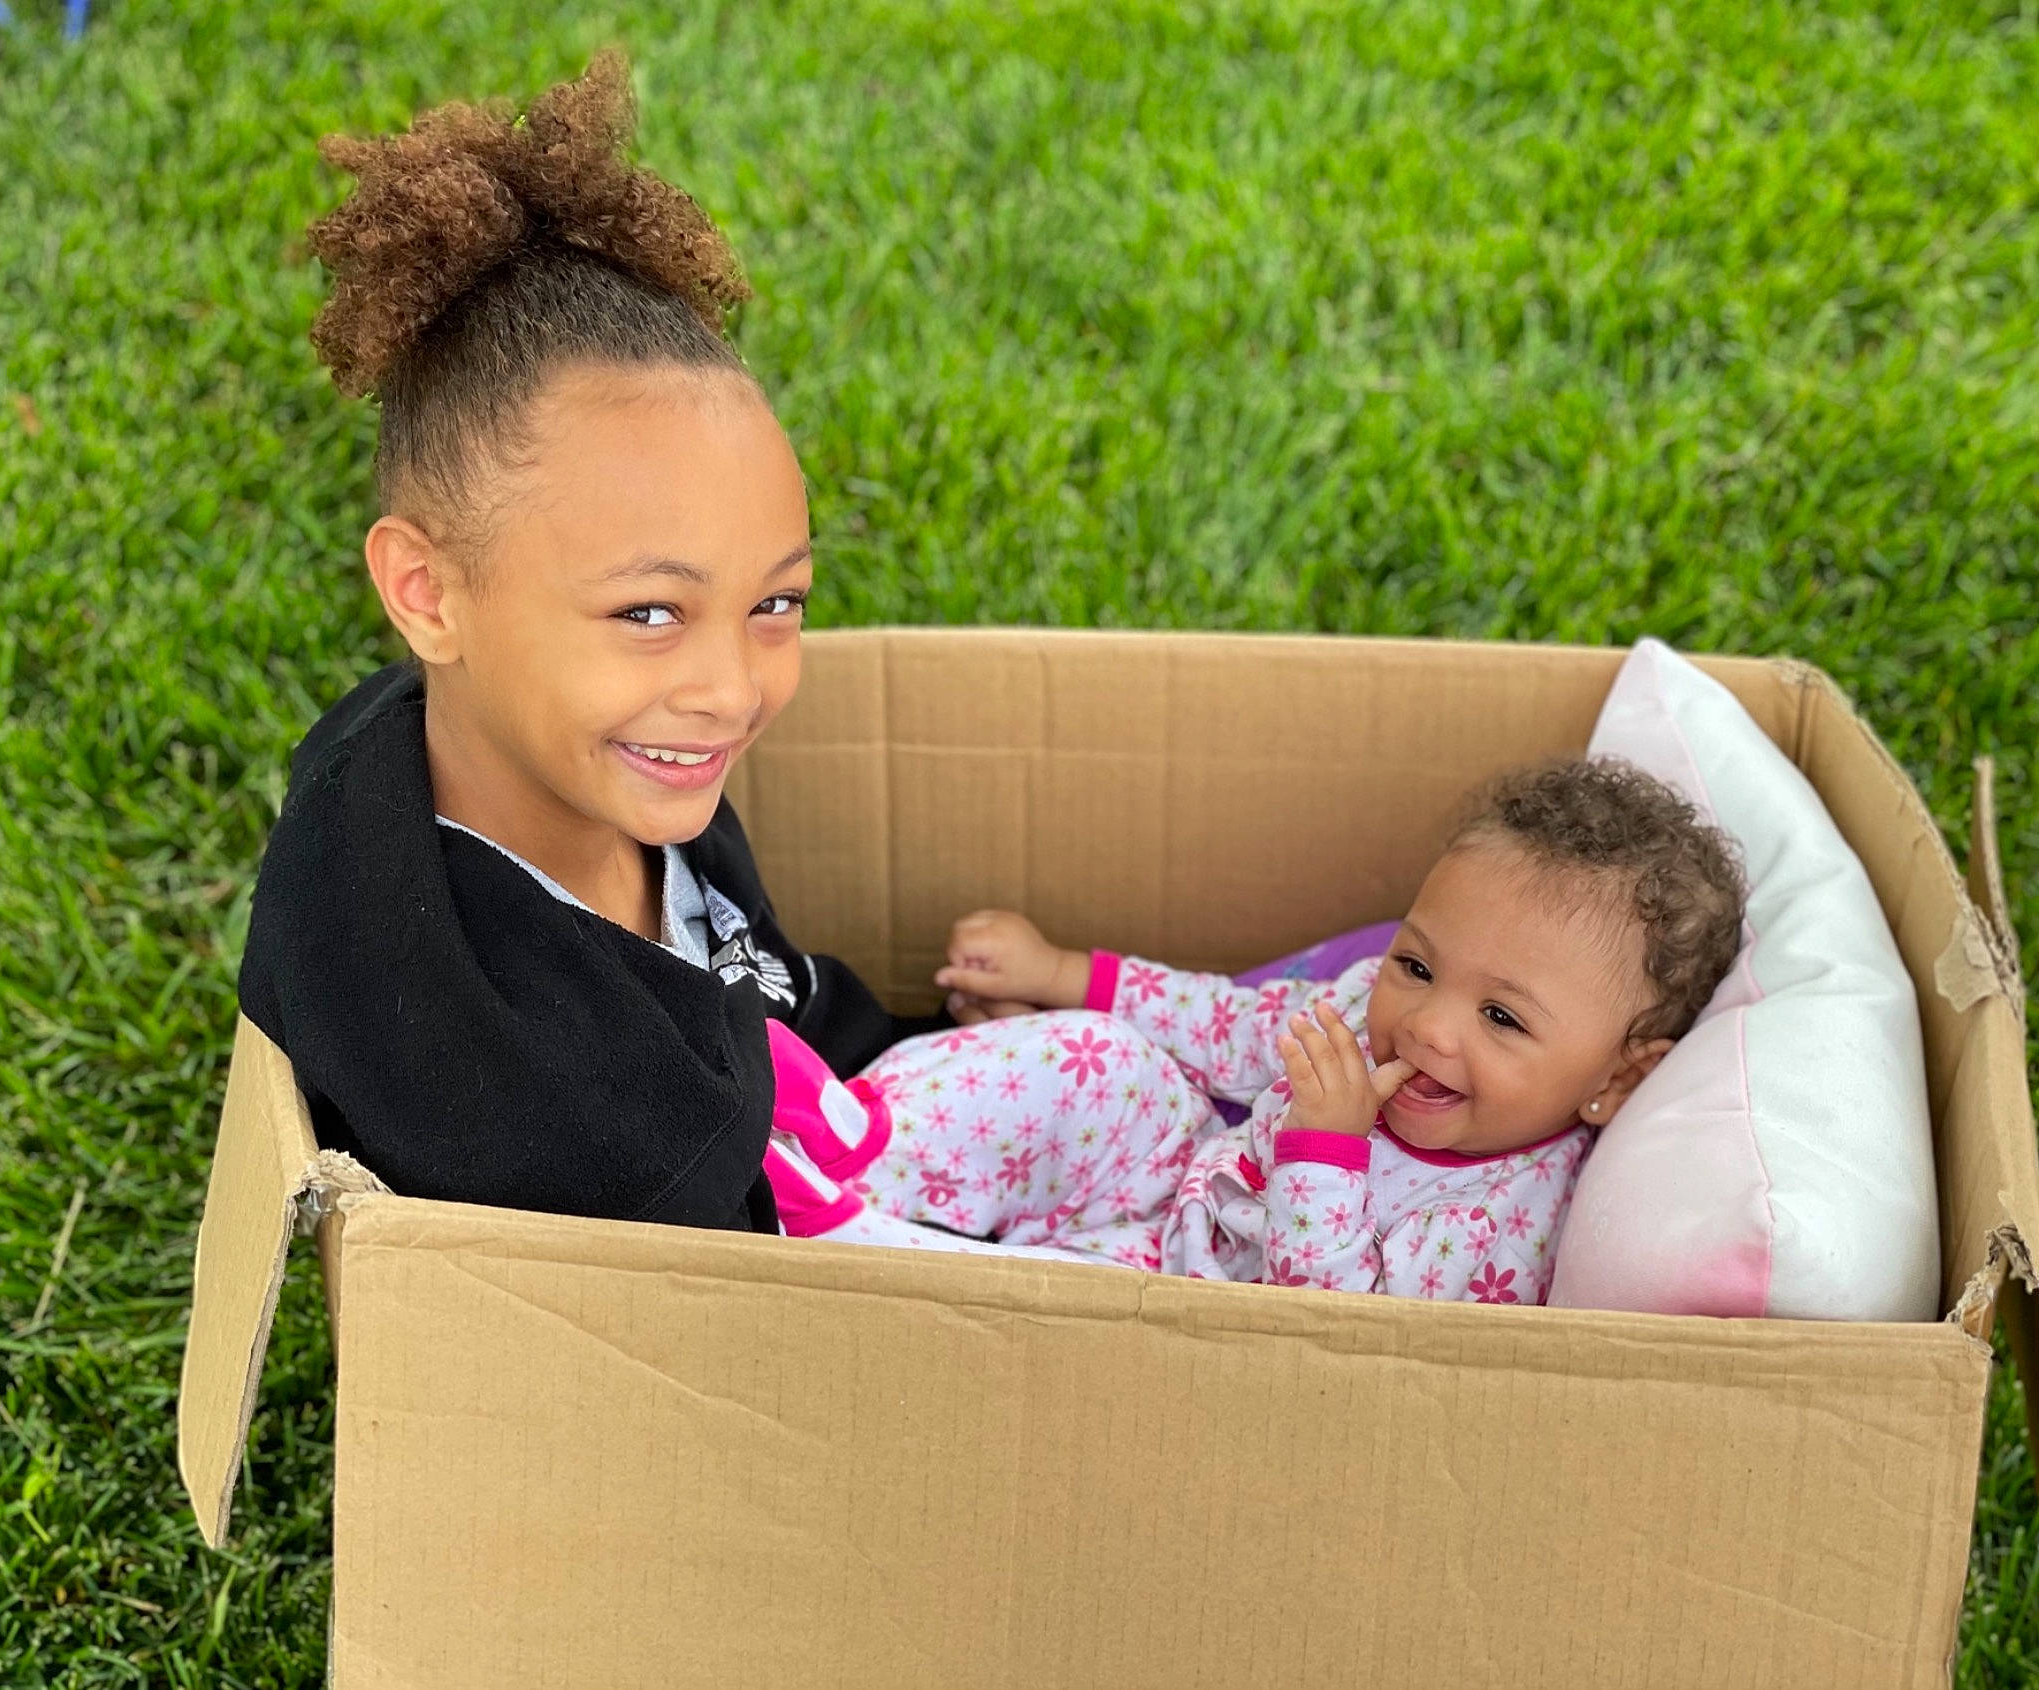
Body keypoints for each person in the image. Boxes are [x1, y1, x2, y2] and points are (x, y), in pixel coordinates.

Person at [237, 53, 944, 1235]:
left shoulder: (574, 753)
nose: (730, 689)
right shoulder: (562, 1121)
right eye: (648, 614)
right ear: (427, 592)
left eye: (777, 603)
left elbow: (788, 1010)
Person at [765, 758, 1748, 1304]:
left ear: (1614, 1081)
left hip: (1203, 1303)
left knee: (1068, 1311)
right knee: (1106, 1063)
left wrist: (1325, 1148)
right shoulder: (1371, 1006)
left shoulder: (1507, 1226)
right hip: (1175, 1178)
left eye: (1500, 1017)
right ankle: (864, 1135)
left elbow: (1326, 1333)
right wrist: (1064, 971)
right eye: (1416, 965)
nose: (1427, 1023)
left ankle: (858, 1244)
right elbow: (1224, 1021)